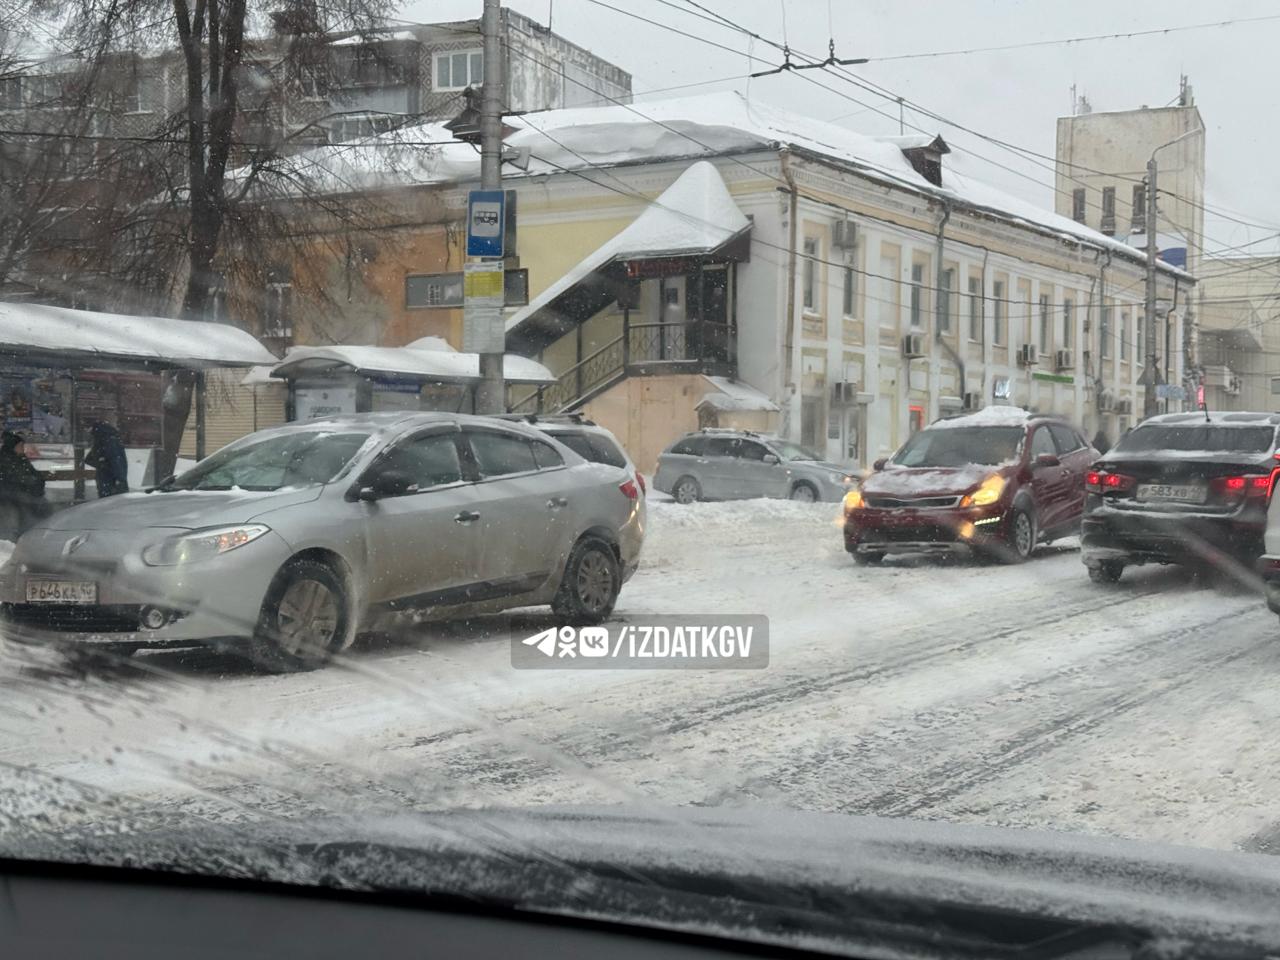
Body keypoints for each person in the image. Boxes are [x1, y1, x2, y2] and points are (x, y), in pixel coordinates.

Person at [0, 430, 49, 537]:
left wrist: (37, 482)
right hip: (11, 495)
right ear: (13, 446)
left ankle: (36, 531)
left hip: (25, 492)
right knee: (28, 507)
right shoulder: (6, 459)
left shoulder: (21, 458)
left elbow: (33, 474)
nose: (23, 448)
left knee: (42, 507)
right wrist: (32, 482)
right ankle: (23, 533)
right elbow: (15, 478)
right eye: (20, 446)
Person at [85, 420, 129, 497]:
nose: (86, 431)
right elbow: (116, 460)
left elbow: (116, 460)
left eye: (86, 428)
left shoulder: (105, 439)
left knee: (109, 502)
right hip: (109, 478)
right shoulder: (104, 438)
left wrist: (102, 464)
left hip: (109, 479)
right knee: (110, 503)